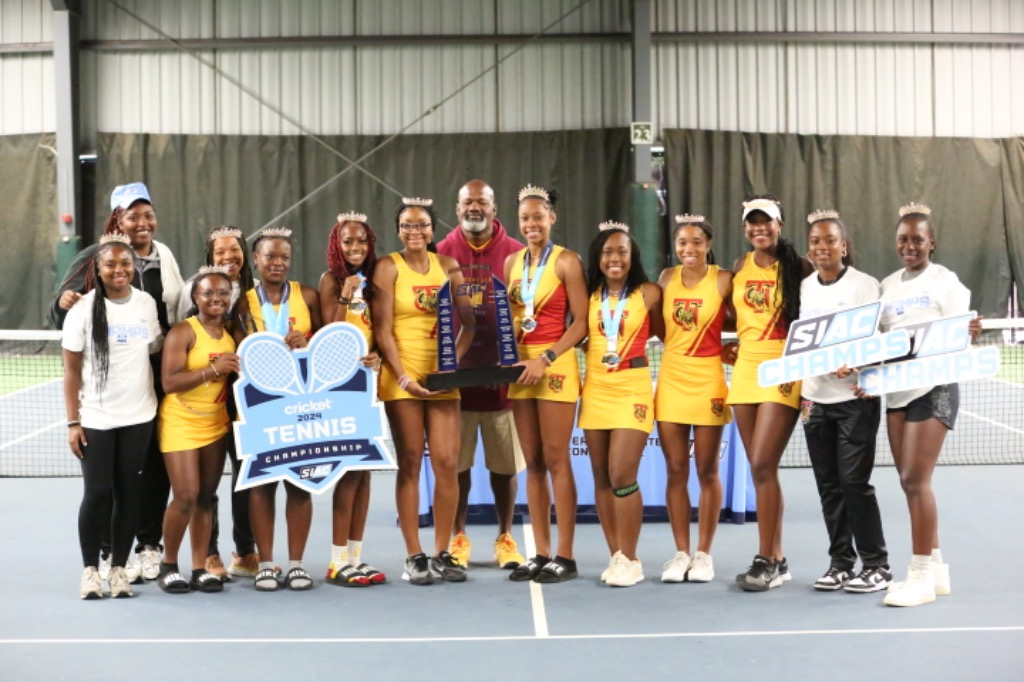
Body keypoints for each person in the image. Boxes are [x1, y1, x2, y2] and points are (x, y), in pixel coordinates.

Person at [50, 181, 184, 583]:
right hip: (100, 407)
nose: (142, 223)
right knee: (102, 489)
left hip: (153, 389)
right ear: (118, 220)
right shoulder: (94, 261)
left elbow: (170, 322)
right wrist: (63, 303)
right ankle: (103, 558)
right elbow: (61, 314)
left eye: (147, 214)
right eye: (132, 216)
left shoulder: (164, 260)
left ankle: (145, 548)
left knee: (149, 475)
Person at [373, 197, 474, 586]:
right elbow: (382, 330)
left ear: (433, 230)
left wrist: (451, 368)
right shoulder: (388, 267)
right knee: (411, 461)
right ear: (398, 231)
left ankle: (442, 551)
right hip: (404, 379)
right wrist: (402, 376)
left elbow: (470, 324)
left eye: (422, 226)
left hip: (442, 379)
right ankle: (414, 555)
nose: (415, 232)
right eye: (407, 226)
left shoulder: (448, 266)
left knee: (447, 463)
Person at [876, 203, 971, 608]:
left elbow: (960, 333)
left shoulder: (946, 281)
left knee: (916, 481)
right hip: (896, 392)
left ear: (931, 241)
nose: (910, 246)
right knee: (909, 482)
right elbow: (876, 341)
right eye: (903, 239)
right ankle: (935, 569)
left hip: (934, 388)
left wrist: (968, 329)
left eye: (918, 239)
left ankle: (918, 577)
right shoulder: (886, 286)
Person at [62, 233, 161, 599]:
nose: (119, 270)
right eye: (110, 264)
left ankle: (119, 569)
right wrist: (73, 422)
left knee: (129, 492)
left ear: (133, 267)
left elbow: (154, 349)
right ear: (98, 269)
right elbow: (71, 371)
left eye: (125, 263)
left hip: (139, 416)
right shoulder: (83, 310)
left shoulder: (146, 304)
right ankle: (91, 570)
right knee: (98, 493)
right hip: (96, 419)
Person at [435, 179, 527, 571]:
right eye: (467, 202)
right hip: (453, 387)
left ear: (494, 207)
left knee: (504, 467)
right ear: (457, 209)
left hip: (502, 385)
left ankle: (505, 536)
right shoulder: (438, 253)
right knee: (457, 466)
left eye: (482, 202)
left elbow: (526, 315)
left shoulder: (518, 254)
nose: (475, 207)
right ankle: (459, 537)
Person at [798, 210, 891, 593]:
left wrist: (861, 365)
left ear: (844, 245)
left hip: (855, 399)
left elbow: (881, 339)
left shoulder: (864, 286)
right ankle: (840, 563)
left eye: (830, 240)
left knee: (854, 483)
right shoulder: (805, 287)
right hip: (814, 400)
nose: (823, 247)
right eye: (816, 241)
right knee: (829, 485)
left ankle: (877, 565)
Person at [727, 194, 813, 592]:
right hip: (745, 369)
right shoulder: (740, 266)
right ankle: (776, 561)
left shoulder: (800, 267)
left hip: (783, 368)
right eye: (752, 222)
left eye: (767, 222)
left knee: (762, 462)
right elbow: (732, 314)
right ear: (745, 228)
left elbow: (818, 315)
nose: (759, 228)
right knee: (761, 469)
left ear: (780, 225)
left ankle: (767, 558)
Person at [504, 184, 588, 583]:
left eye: (538, 216)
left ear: (551, 218)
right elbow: (509, 321)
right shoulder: (510, 264)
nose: (531, 223)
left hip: (554, 364)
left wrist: (547, 357)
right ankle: (539, 552)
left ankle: (566, 556)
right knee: (532, 462)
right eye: (525, 218)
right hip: (522, 369)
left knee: (557, 459)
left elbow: (582, 323)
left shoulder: (567, 262)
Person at [233, 227, 323, 591]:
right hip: (259, 405)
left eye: (284, 257)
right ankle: (267, 563)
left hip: (302, 404)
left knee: (300, 483)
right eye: (270, 256)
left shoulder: (308, 295)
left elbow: (329, 339)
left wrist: (309, 339)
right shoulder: (242, 304)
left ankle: (297, 564)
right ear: (255, 259)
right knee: (263, 484)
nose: (277, 263)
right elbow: (240, 350)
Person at [579, 222, 662, 587]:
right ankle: (616, 556)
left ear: (632, 257)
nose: (614, 258)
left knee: (622, 476)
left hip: (632, 389)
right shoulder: (588, 294)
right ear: (598, 257)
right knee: (600, 477)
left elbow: (666, 332)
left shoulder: (649, 292)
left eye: (622, 252)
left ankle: (632, 557)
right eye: (608, 252)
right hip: (595, 389)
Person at [654, 214, 733, 584]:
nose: (689, 249)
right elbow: (656, 325)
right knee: (675, 470)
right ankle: (681, 553)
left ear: (708, 245)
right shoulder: (667, 278)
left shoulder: (723, 280)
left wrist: (735, 348)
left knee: (706, 470)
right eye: (683, 242)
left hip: (708, 380)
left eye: (697, 242)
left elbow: (744, 319)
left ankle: (704, 555)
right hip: (671, 378)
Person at [177, 226, 259, 581]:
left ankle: (245, 550)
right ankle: (208, 553)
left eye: (234, 250)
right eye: (220, 252)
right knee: (205, 484)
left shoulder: (254, 296)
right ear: (209, 258)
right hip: (204, 404)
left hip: (247, 402)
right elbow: (180, 337)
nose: (228, 257)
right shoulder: (192, 292)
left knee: (246, 476)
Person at [157, 266, 240, 594]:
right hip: (180, 421)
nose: (217, 298)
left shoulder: (233, 332)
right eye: (209, 293)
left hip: (215, 422)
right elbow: (170, 382)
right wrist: (213, 369)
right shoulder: (184, 332)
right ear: (196, 297)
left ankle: (199, 567)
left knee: (205, 497)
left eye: (223, 293)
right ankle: (169, 564)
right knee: (186, 495)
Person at [319, 212, 386, 587]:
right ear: (336, 244)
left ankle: (356, 557)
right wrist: (345, 292)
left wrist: (376, 352)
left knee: (364, 474)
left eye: (361, 241)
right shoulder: (331, 280)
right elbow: (330, 330)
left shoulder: (375, 280)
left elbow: (378, 328)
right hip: (340, 388)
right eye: (348, 241)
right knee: (346, 473)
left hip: (369, 385)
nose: (356, 247)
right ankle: (336, 560)